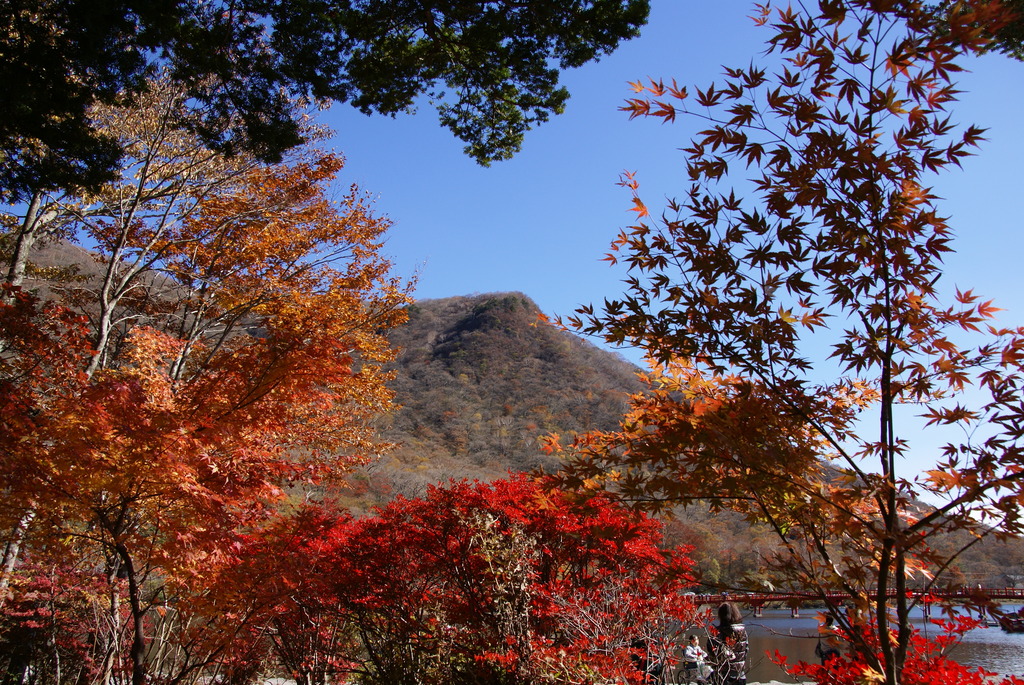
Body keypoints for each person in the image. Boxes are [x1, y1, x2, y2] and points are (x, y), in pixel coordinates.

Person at [707, 602, 749, 685]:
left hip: (722, 675)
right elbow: (746, 651)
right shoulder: (743, 631)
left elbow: (712, 654)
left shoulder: (717, 633)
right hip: (739, 674)